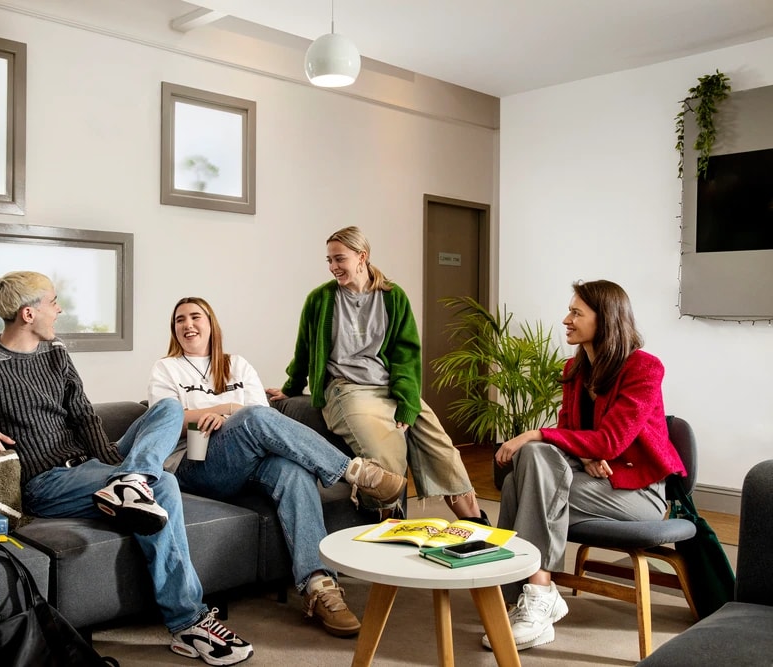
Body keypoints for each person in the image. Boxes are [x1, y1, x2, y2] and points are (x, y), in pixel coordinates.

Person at [0, 271, 253, 666]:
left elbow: (85, 418)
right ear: (27, 313)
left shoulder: (57, 355)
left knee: (169, 408)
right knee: (167, 486)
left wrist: (115, 465)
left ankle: (130, 481)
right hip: (46, 482)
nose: (59, 309)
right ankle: (188, 622)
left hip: (92, 464)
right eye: (52, 302)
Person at [146, 297, 407, 637]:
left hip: (249, 461)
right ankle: (356, 472)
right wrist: (226, 408)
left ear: (211, 324)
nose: (188, 324)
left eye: (196, 317)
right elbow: (166, 420)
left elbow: (265, 419)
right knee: (252, 417)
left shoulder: (237, 365)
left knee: (293, 472)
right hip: (196, 465)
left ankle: (319, 585)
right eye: (180, 320)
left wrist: (228, 416)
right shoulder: (166, 369)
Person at [486, 279, 686, 651]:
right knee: (528, 470)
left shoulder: (644, 369)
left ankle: (534, 595)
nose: (567, 319)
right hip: (591, 483)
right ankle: (537, 593)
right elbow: (569, 434)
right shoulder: (575, 370)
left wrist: (534, 433)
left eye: (576, 312)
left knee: (527, 472)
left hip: (638, 494)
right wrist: (585, 453)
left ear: (605, 319)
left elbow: (612, 441)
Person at [267, 226, 487, 524]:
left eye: (339, 259)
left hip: (389, 388)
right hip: (347, 390)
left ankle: (479, 533)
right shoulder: (320, 299)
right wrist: (290, 387)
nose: (333, 267)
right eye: (329, 260)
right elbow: (304, 350)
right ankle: (388, 535)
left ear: (362, 257)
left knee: (446, 455)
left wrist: (409, 404)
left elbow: (406, 356)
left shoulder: (393, 298)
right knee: (387, 458)